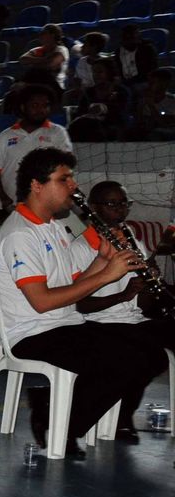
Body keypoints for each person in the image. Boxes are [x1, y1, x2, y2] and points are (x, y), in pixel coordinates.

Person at [0, 148, 164, 457]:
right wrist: (108, 275)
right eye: (64, 179)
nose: (74, 186)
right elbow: (41, 302)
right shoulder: (19, 234)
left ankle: (55, 410)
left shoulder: (54, 227)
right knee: (124, 361)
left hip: (66, 323)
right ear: (37, 185)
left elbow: (74, 284)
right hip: (33, 333)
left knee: (151, 355)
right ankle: (57, 424)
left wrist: (102, 259)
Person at [78, 179, 175, 440]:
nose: (121, 211)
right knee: (147, 355)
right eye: (112, 204)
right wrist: (125, 294)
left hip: (133, 319)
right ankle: (121, 415)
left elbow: (142, 306)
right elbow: (79, 304)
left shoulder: (130, 238)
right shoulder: (80, 247)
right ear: (93, 208)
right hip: (97, 322)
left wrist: (148, 284)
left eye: (124, 204)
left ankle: (123, 413)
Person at [0, 84, 73, 210]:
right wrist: (4, 199)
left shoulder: (57, 133)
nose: (41, 110)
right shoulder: (5, 136)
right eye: (35, 105)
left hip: (47, 207)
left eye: (45, 105)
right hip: (13, 208)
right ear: (23, 107)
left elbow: (66, 168)